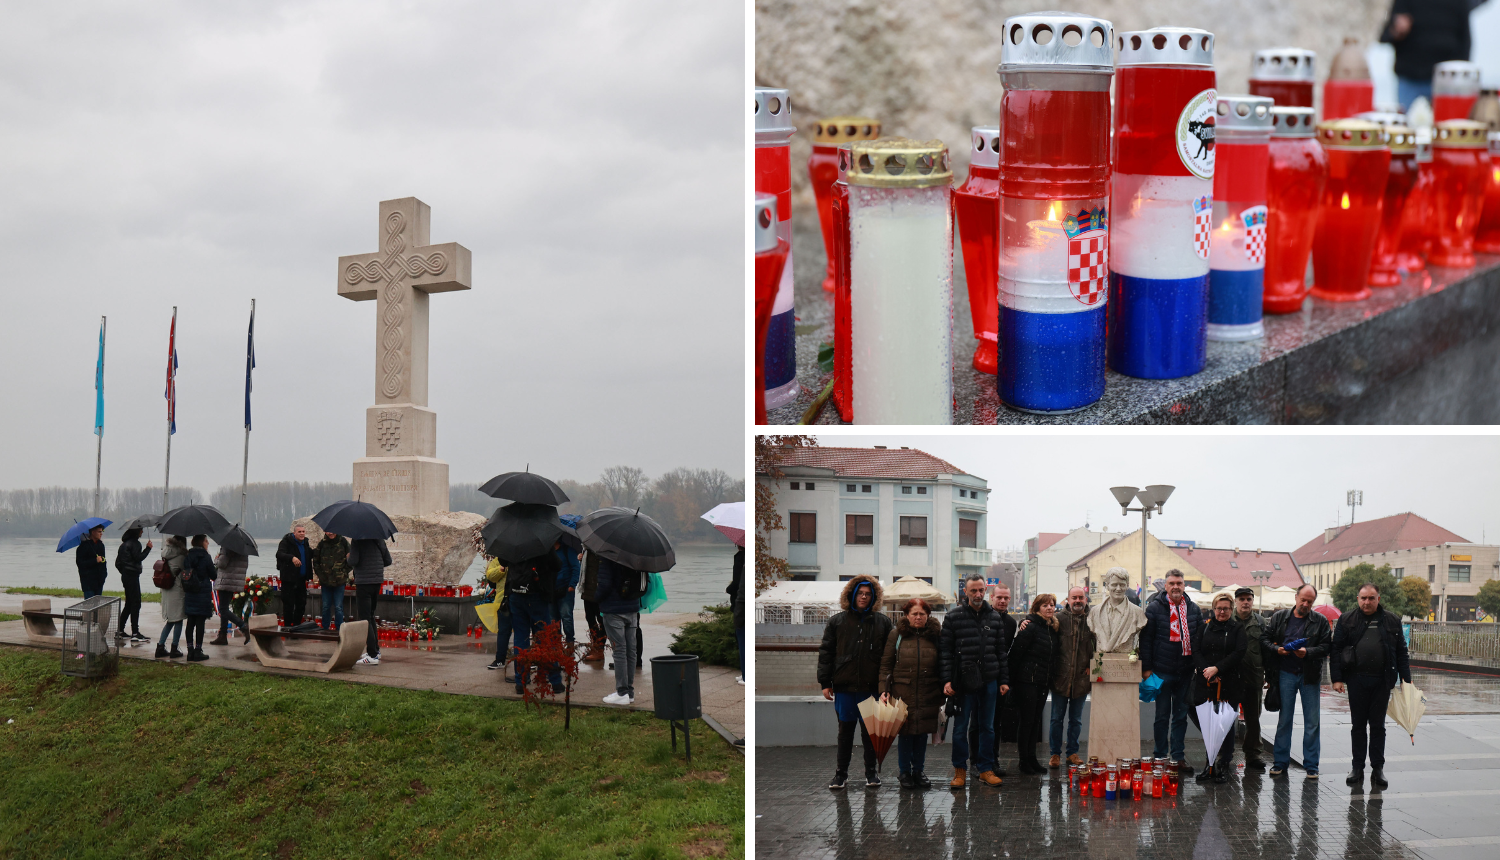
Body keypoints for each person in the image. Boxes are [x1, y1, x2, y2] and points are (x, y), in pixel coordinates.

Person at [1331, 583, 1412, 789]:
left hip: (1382, 681)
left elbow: (1401, 652)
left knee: (1378, 727)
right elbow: (1336, 650)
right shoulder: (1347, 619)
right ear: (1358, 599)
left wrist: (1406, 681)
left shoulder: (1392, 620)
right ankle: (1357, 767)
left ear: (1378, 598)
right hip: (1356, 680)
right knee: (1358, 726)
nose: (1367, 602)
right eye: (1363, 598)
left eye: (1371, 598)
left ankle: (1378, 768)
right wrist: (1337, 678)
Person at [817, 575, 892, 790]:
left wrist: (886, 687)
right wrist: (825, 682)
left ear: (874, 597)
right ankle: (840, 774)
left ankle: (871, 774)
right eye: (860, 593)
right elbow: (826, 653)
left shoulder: (883, 623)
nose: (864, 597)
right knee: (845, 733)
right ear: (852, 594)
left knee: (871, 734)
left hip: (871, 689)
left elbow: (889, 658)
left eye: (868, 594)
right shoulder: (837, 621)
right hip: (845, 688)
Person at [941, 573, 1011, 788]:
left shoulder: (995, 618)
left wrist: (1003, 680)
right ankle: (960, 770)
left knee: (987, 727)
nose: (978, 594)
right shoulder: (953, 618)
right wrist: (946, 680)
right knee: (961, 728)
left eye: (981, 590)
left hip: (989, 680)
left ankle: (985, 769)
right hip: (963, 682)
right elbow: (945, 652)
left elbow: (1001, 652)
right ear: (966, 592)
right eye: (974, 590)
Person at [1262, 583, 1332, 780]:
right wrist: (1278, 650)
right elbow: (1265, 640)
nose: (1306, 604)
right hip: (1285, 673)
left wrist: (1307, 653)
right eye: (1303, 599)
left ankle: (1311, 765)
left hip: (1309, 675)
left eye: (1310, 601)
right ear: (1296, 597)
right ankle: (1280, 763)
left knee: (1312, 721)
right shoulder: (1279, 617)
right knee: (1285, 720)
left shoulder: (1320, 620)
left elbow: (1327, 647)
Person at [1141, 569, 1203, 775]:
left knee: (1180, 717)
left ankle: (1177, 758)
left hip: (1185, 672)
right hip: (1161, 670)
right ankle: (1159, 757)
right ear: (1165, 586)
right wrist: (1147, 669)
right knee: (1161, 716)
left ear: (1184, 585)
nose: (1176, 586)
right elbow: (1146, 640)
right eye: (1171, 583)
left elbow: (1199, 639)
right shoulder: (1154, 608)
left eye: (1179, 583)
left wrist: (1199, 665)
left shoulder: (1193, 609)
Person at [879, 598, 944, 790]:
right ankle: (904, 772)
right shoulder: (896, 635)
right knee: (905, 734)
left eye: (922, 614)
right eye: (914, 614)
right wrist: (884, 690)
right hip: (902, 692)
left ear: (927, 616)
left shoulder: (935, 636)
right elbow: (886, 664)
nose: (918, 617)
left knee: (922, 734)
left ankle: (918, 771)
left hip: (927, 691)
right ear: (906, 616)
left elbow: (942, 662)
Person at [1188, 592, 1247, 783]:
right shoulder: (1204, 628)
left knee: (1226, 724)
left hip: (1229, 683)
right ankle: (1209, 763)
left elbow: (1239, 652)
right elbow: (1195, 650)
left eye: (1226, 608)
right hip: (1206, 682)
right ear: (1213, 609)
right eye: (1219, 608)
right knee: (1208, 724)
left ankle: (1223, 763)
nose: (1222, 612)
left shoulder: (1237, 628)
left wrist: (1217, 669)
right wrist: (1206, 670)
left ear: (1231, 609)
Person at [1380, 0, 1475, 110]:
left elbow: (1465, 39)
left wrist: (1461, 75)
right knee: (1408, 124)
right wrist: (1396, 30)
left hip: (1446, 82)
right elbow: (1384, 36)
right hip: (1411, 79)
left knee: (1446, 124)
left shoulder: (1458, 2)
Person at [1009, 593, 1060, 776]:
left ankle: (1032, 759)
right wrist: (1011, 683)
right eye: (1045, 605)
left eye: (1052, 605)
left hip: (1042, 682)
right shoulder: (1029, 627)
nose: (1049, 608)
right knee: (1027, 722)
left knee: (1035, 721)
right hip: (1027, 682)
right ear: (1037, 607)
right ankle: (1024, 761)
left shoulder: (1051, 627)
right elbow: (1015, 654)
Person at [1049, 586, 1095, 769]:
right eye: (1074, 597)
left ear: (1085, 599)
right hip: (1061, 678)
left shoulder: (1093, 621)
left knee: (1076, 720)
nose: (1077, 600)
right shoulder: (1057, 620)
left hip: (1081, 680)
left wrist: (1093, 666)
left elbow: (1099, 645)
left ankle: (1072, 753)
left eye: (1080, 597)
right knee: (1056, 719)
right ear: (1067, 600)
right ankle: (1054, 754)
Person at [509, 546, 565, 695]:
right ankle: (554, 681)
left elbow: (503, 560)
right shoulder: (541, 542)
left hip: (516, 593)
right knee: (545, 638)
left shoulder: (512, 540)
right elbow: (557, 564)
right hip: (537, 594)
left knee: (520, 639)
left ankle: (521, 681)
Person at [981, 584, 1019, 777]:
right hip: (981, 678)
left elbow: (1007, 653)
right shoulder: (983, 617)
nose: (1003, 601)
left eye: (1006, 598)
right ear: (992, 597)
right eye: (999, 598)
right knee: (978, 723)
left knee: (996, 723)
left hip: (1000, 679)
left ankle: (993, 760)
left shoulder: (1012, 623)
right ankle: (978, 762)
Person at [594, 553, 643, 704]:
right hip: (632, 607)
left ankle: (622, 692)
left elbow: (604, 584)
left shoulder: (608, 557)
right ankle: (629, 691)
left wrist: (595, 598)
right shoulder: (637, 558)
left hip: (613, 609)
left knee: (619, 650)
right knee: (630, 650)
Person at [1233, 587, 1269, 771]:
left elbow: (1267, 650)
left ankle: (1253, 754)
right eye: (1241, 599)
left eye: (1248, 599)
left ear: (1253, 601)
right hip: (1230, 678)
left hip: (1254, 677)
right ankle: (1224, 753)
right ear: (1236, 601)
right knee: (1225, 717)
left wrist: (1269, 675)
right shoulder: (1227, 619)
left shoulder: (1261, 622)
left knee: (1253, 718)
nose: (1245, 602)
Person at [348, 536, 393, 665]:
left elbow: (353, 561)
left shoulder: (357, 540)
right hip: (377, 581)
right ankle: (375, 650)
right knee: (371, 616)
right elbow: (388, 560)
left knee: (365, 618)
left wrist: (348, 557)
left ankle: (372, 655)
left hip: (364, 582)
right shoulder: (378, 539)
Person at [181, 534, 218, 662]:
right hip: (202, 592)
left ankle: (189, 650)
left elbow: (186, 572)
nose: (208, 543)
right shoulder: (206, 557)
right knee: (200, 622)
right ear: (202, 543)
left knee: (190, 621)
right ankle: (198, 650)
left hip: (190, 591)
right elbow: (214, 575)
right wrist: (214, 565)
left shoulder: (188, 556)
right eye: (206, 541)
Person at [113, 528, 153, 641]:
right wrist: (148, 549)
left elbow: (117, 563)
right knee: (136, 603)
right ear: (136, 532)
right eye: (141, 530)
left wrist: (125, 571)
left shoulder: (123, 545)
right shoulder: (135, 544)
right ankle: (135, 632)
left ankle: (120, 630)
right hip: (133, 576)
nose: (142, 532)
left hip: (126, 576)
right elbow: (138, 558)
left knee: (129, 603)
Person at [484, 556, 517, 680]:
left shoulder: (521, 558)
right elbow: (490, 576)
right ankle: (500, 659)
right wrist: (502, 569)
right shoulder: (499, 560)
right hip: (502, 601)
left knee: (521, 631)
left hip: (518, 599)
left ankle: (525, 660)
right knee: (503, 631)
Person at [155, 535, 188, 659]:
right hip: (177, 590)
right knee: (178, 619)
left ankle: (160, 646)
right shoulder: (181, 556)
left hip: (166, 589)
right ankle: (174, 647)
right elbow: (187, 570)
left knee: (170, 620)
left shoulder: (166, 552)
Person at [210, 545, 249, 646]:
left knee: (223, 609)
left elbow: (222, 563)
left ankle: (243, 626)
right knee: (225, 608)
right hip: (234, 580)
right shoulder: (242, 547)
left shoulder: (227, 546)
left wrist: (216, 559)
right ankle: (222, 636)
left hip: (226, 580)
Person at [275, 525, 313, 626]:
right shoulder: (286, 542)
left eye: (303, 531)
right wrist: (292, 558)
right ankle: (287, 627)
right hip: (289, 579)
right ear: (294, 533)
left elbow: (310, 554)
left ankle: (296, 625)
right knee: (288, 605)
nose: (302, 533)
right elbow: (279, 554)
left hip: (301, 580)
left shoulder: (305, 543)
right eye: (299, 532)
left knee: (301, 604)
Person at [314, 530, 352, 631]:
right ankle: (325, 628)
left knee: (338, 607)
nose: (330, 533)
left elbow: (351, 560)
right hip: (325, 582)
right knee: (326, 606)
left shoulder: (343, 542)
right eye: (328, 531)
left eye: (332, 531)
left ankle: (339, 629)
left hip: (340, 582)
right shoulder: (322, 544)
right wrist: (320, 575)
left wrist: (344, 572)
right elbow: (316, 561)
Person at [551, 540, 582, 646]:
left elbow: (576, 568)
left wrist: (572, 585)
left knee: (566, 617)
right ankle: (556, 643)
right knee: (553, 619)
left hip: (565, 590)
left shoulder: (568, 550)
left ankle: (570, 641)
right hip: (551, 590)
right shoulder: (547, 551)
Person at [579, 549, 606, 661]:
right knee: (590, 618)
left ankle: (600, 648)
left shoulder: (604, 553)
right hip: (587, 590)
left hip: (599, 591)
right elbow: (586, 570)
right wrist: (581, 558)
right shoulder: (586, 551)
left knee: (602, 620)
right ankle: (595, 644)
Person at [75, 525, 108, 599]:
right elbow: (80, 564)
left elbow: (103, 561)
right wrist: (95, 561)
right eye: (99, 531)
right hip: (88, 582)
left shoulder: (101, 545)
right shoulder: (82, 547)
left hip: (99, 581)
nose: (101, 533)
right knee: (89, 606)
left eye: (102, 531)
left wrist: (104, 575)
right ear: (93, 532)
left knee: (97, 605)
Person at [730, 546, 746, 685]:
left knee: (742, 641)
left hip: (741, 608)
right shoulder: (742, 557)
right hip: (740, 605)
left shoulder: (741, 558)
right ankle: (744, 673)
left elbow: (739, 587)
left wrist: (729, 588)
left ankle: (746, 675)